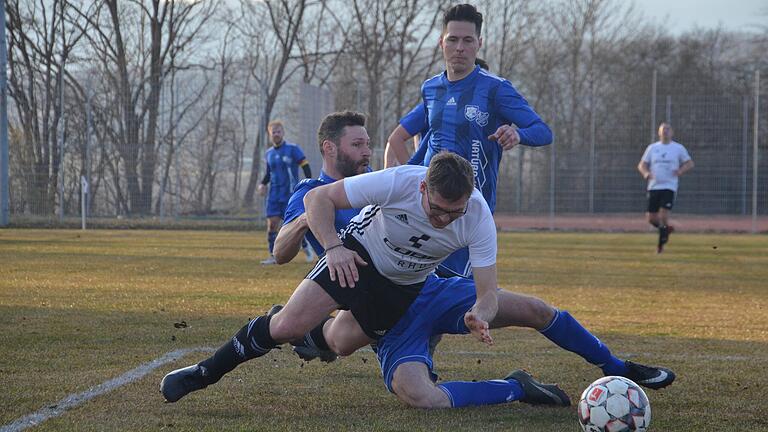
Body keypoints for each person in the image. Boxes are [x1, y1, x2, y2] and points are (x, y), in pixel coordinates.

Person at [162, 140, 574, 408]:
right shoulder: (398, 181)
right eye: (439, 210)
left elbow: (488, 292)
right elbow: (318, 198)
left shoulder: (478, 216)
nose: (446, 220)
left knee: (340, 344)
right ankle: (205, 372)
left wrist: (481, 313)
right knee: (286, 325)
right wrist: (335, 247)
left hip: (399, 289)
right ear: (423, 190)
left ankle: (313, 333)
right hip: (357, 257)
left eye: (456, 212)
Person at [386, 4, 552, 279]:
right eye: (452, 39)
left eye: (467, 40)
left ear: (479, 44)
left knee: (458, 289)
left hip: (470, 207)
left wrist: (518, 134)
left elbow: (543, 130)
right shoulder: (431, 89)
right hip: (429, 208)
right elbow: (402, 139)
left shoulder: (496, 89)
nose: (459, 47)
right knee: (417, 285)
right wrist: (412, 180)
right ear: (441, 43)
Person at [384, 57, 491, 169]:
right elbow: (396, 138)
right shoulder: (437, 105)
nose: (486, 85)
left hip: (463, 177)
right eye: (481, 79)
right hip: (436, 179)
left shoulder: (478, 112)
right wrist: (413, 172)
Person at [257, 120, 314, 264]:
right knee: (272, 225)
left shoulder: (293, 149)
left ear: (283, 133)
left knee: (294, 225)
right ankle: (273, 256)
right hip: (274, 195)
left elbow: (305, 166)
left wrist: (309, 184)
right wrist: (262, 184)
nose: (276, 134)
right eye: (273, 132)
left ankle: (306, 246)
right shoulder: (269, 153)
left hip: (290, 194)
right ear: (270, 135)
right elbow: (269, 173)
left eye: (278, 132)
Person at [637, 122, 694, 253]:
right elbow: (641, 165)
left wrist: (680, 171)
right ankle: (666, 230)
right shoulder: (652, 148)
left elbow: (690, 163)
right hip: (654, 186)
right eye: (663, 130)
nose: (665, 132)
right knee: (651, 218)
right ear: (659, 132)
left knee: (663, 214)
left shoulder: (678, 148)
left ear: (672, 132)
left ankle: (660, 246)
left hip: (669, 186)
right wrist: (646, 173)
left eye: (668, 129)